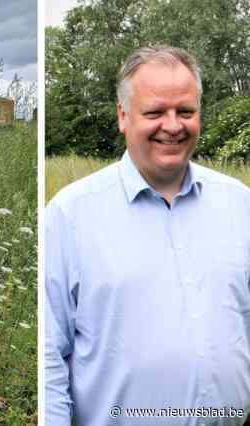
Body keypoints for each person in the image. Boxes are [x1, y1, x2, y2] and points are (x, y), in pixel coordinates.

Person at [45, 46, 250, 425]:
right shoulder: (70, 214)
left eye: (185, 112)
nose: (172, 126)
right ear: (123, 115)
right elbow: (48, 356)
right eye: (155, 112)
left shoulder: (239, 204)